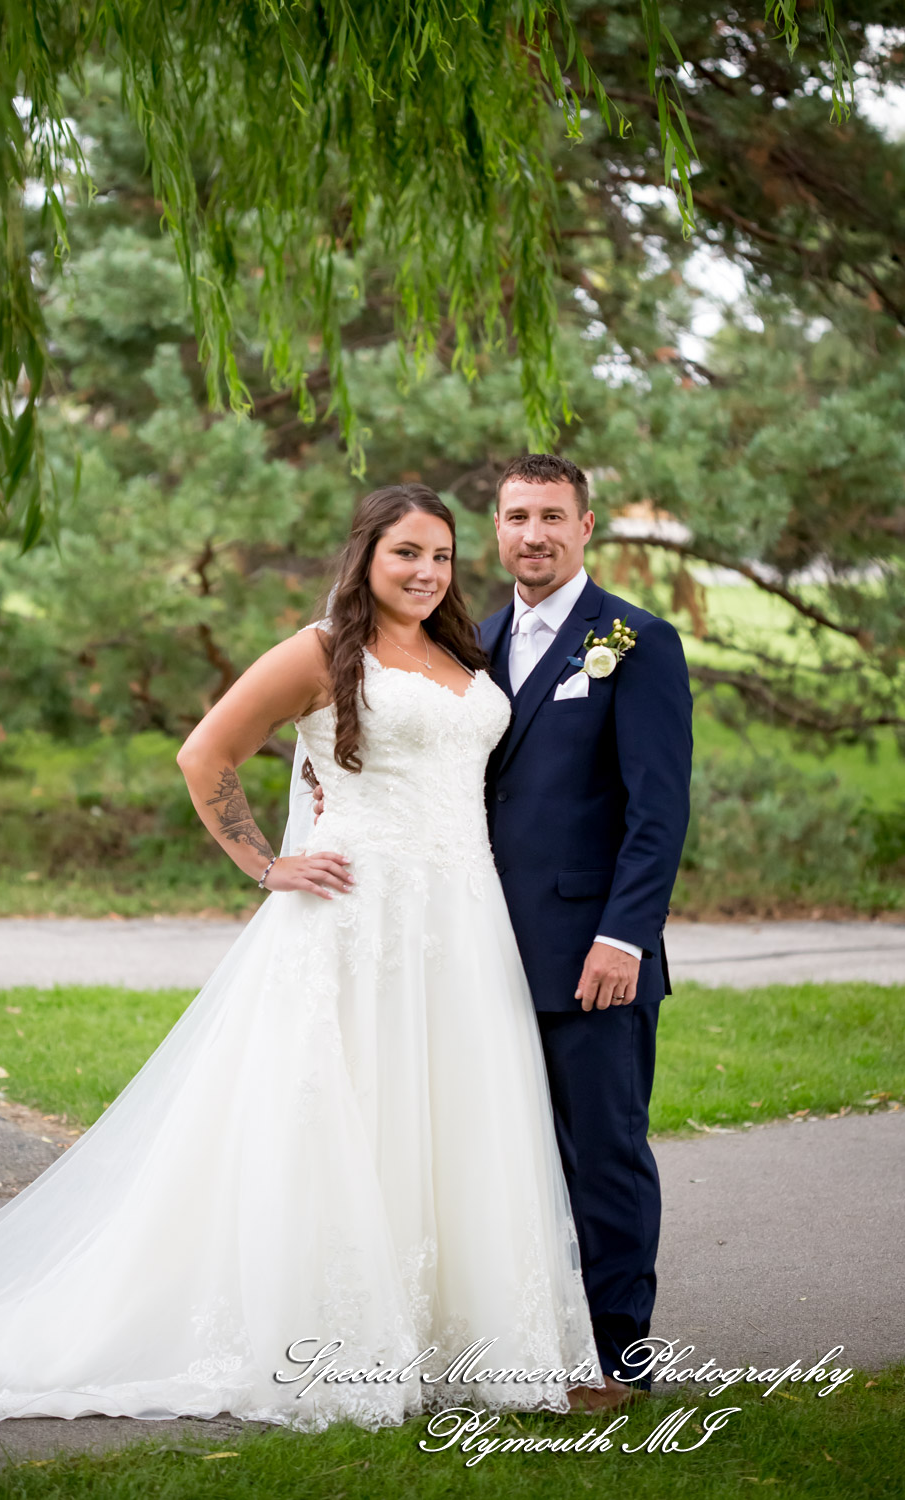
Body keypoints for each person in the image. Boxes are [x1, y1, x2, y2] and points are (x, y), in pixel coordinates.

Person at [0, 483, 604, 1432]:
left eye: (441, 556)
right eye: (405, 552)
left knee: (452, 1117)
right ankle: (332, 1339)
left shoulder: (462, 653)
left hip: (462, 920)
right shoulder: (320, 650)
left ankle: (452, 1339)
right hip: (358, 915)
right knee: (351, 1117)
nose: (425, 571)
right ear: (366, 555)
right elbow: (205, 754)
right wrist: (265, 864)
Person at [480, 453, 692, 1406]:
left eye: (551, 516)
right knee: (505, 1155)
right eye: (517, 516)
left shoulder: (634, 641)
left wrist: (624, 937)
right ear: (496, 528)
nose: (534, 534)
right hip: (481, 951)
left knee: (603, 1153)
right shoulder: (473, 641)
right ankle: (530, 1337)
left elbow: (658, 810)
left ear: (586, 526)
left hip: (591, 954)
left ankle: (619, 1359)